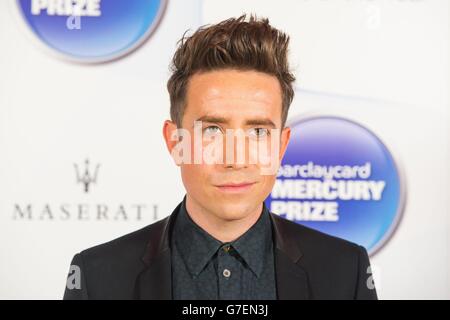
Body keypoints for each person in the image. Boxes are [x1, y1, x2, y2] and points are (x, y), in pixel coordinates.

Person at [63, 14, 377, 300]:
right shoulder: (98, 278)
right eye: (212, 130)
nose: (235, 159)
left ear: (281, 147)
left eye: (257, 132)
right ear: (175, 142)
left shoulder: (345, 272)